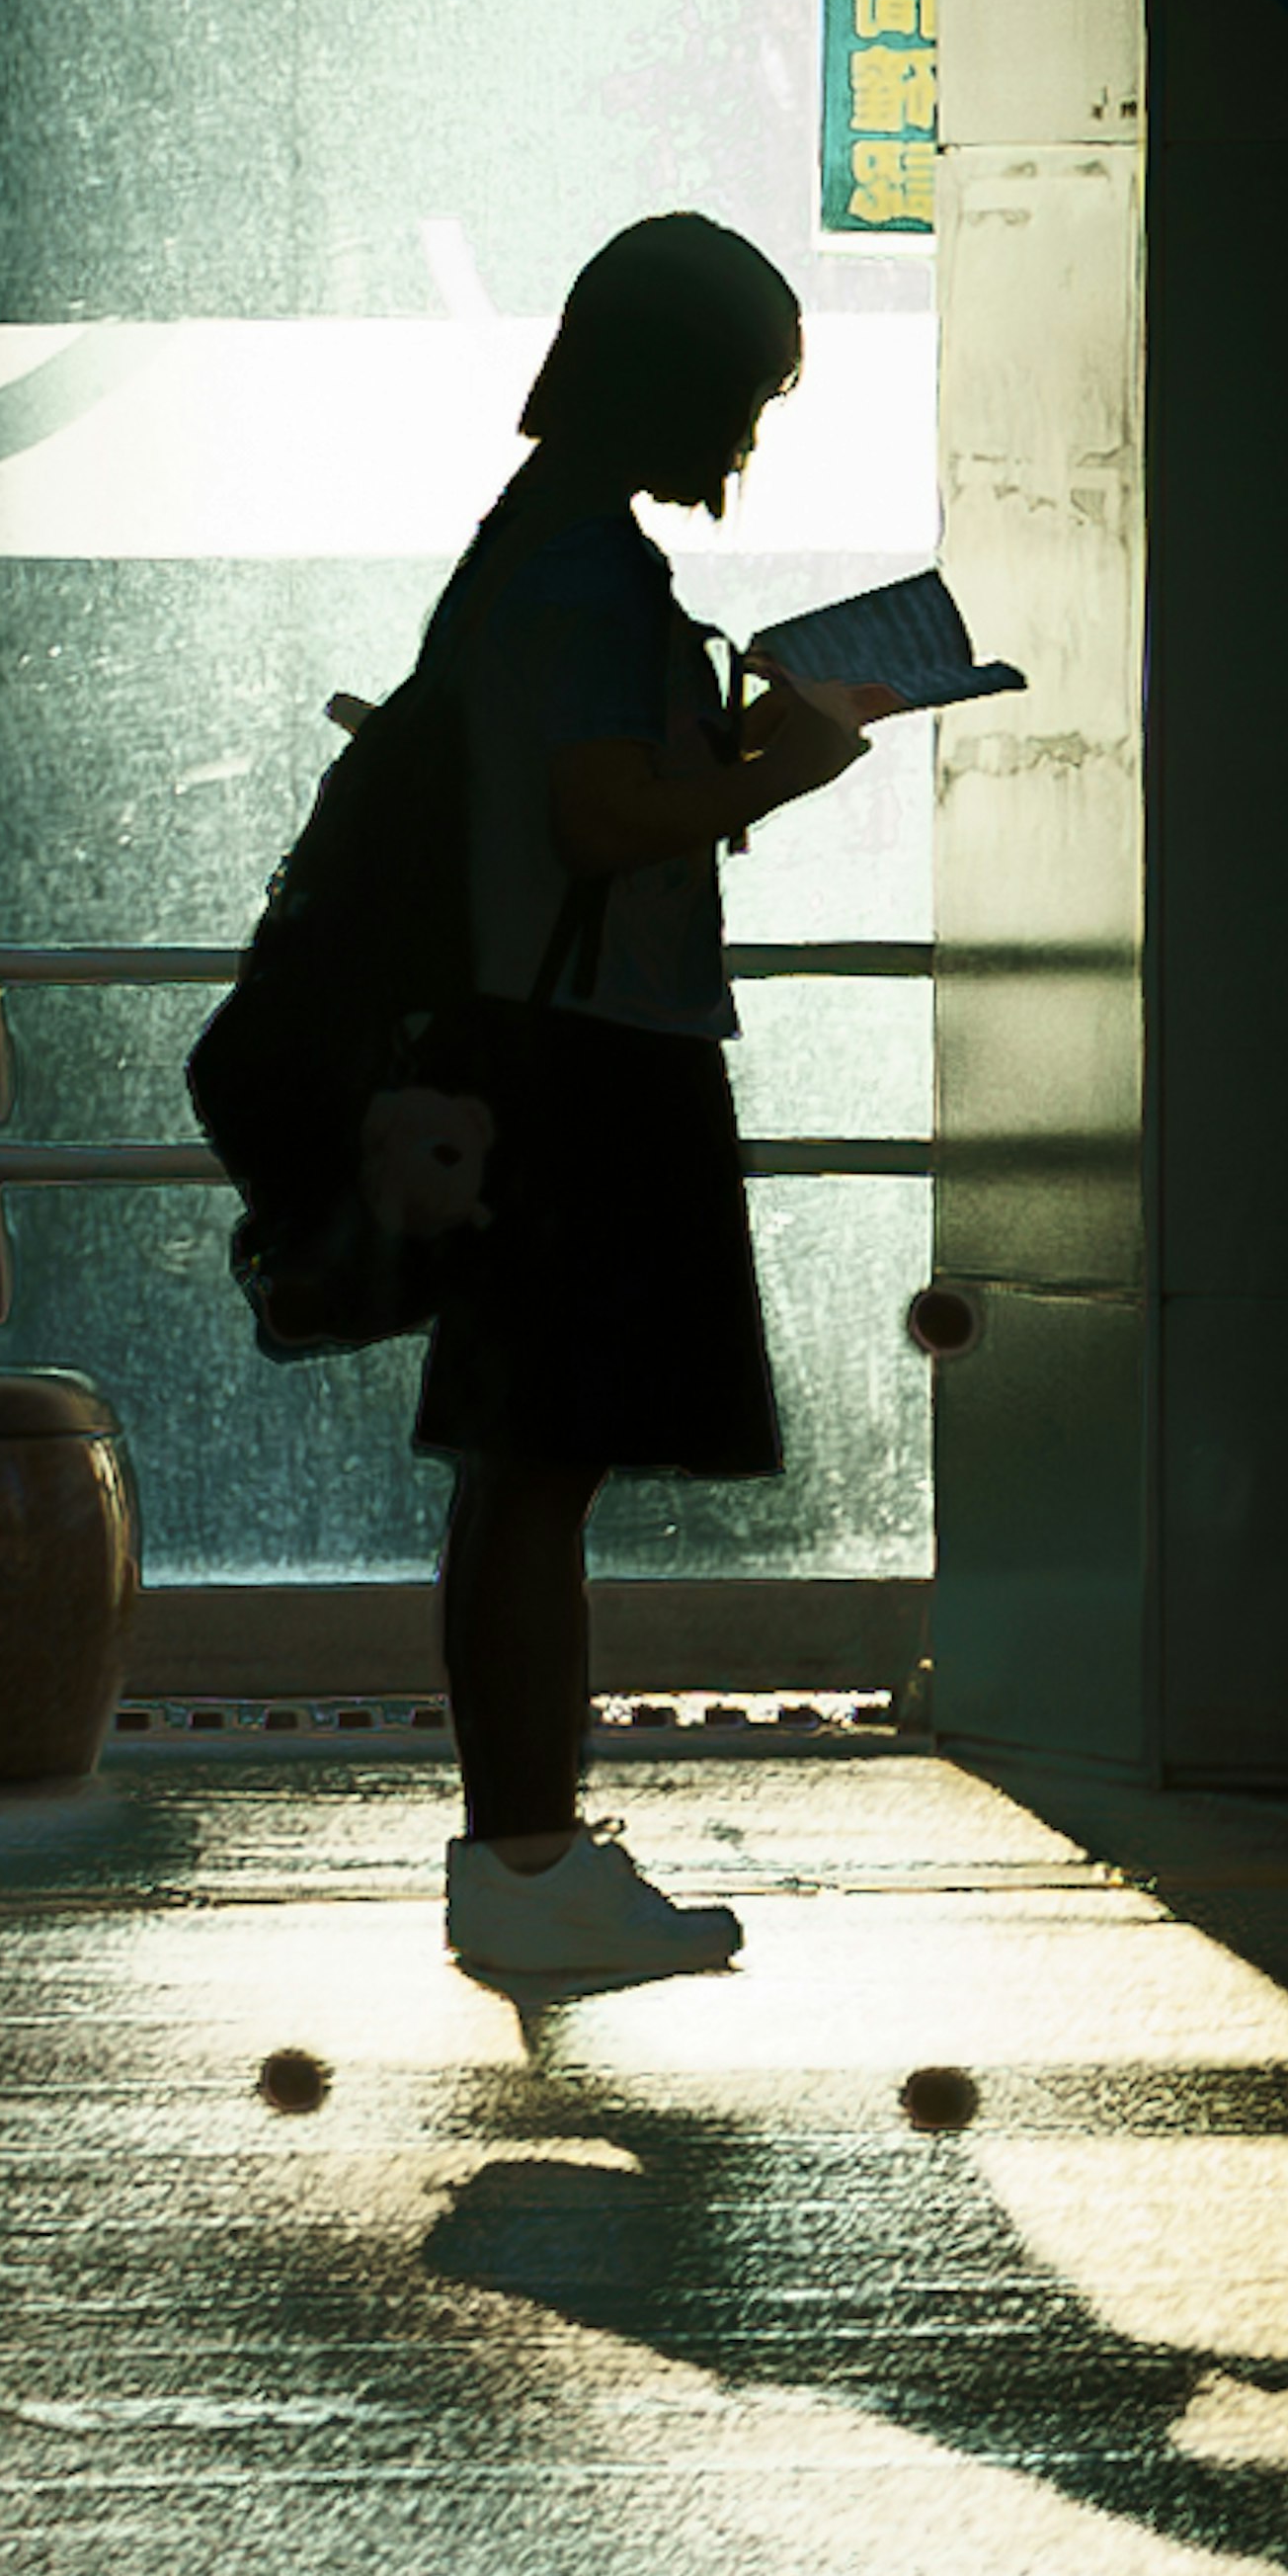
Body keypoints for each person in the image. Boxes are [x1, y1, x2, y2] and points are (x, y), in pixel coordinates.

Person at [413, 210, 911, 1981]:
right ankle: (531, 1860)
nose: (745, 439)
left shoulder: (533, 550)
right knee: (542, 1463)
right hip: (585, 1062)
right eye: (741, 396)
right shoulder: (580, 576)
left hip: (534, 1043)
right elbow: (598, 818)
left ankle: (526, 1850)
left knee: (523, 1461)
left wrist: (738, 754)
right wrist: (783, 759)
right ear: (669, 384)